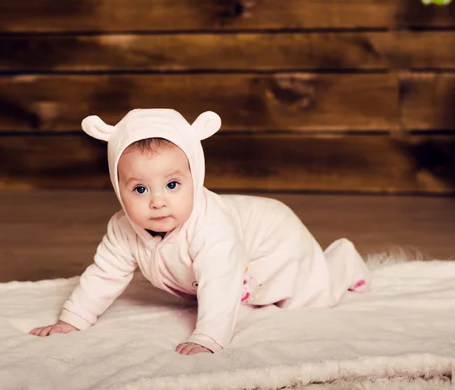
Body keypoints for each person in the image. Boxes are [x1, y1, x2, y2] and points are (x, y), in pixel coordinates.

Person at [29, 109, 370, 355]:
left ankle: (342, 261)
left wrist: (207, 336)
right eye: (140, 190)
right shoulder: (122, 229)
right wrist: (74, 319)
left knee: (307, 297)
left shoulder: (212, 227)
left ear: (197, 178)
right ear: (118, 189)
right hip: (238, 248)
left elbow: (220, 281)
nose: (157, 202)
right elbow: (104, 274)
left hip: (271, 237)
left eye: (173, 184)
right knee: (237, 290)